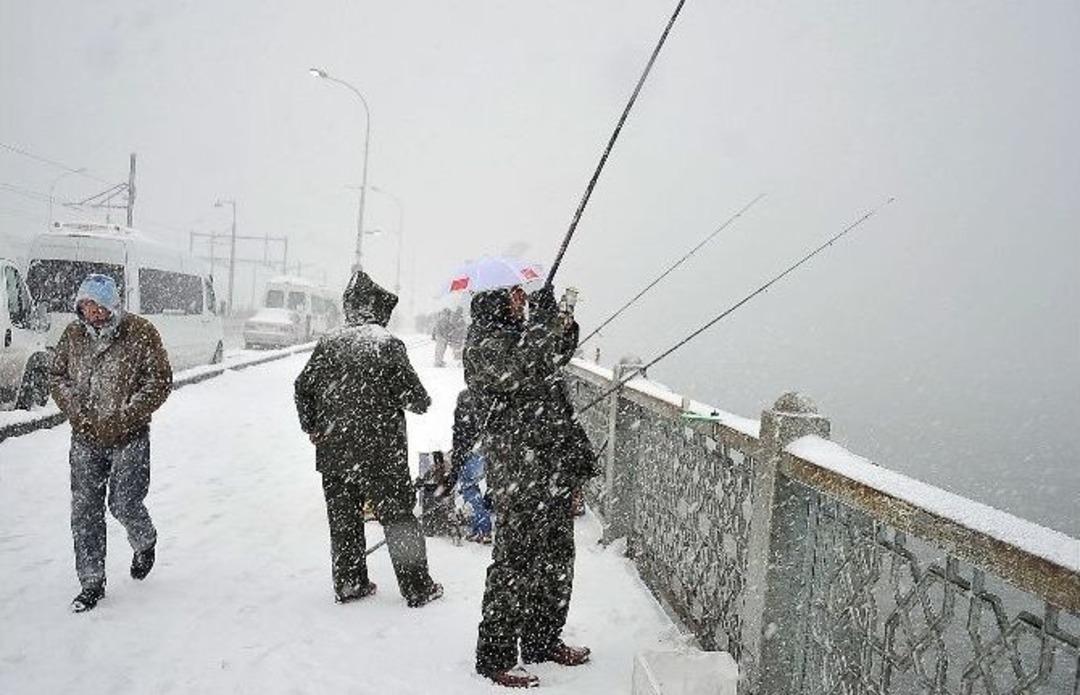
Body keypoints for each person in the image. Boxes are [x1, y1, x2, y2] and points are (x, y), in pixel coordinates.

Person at [465, 284, 598, 688]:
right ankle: (495, 655)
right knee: (515, 562)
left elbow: (552, 357)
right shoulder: (483, 345)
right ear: (493, 301)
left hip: (551, 465)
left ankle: (542, 639)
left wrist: (561, 322)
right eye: (514, 297)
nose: (521, 302)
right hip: (518, 472)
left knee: (556, 560)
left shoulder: (521, 337)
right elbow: (522, 367)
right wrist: (539, 323)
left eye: (524, 296)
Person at [294, 270, 443, 608]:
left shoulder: (328, 343)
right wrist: (419, 400)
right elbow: (415, 399)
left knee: (344, 520)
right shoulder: (385, 343)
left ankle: (349, 582)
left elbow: (302, 388)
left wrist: (312, 426)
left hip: (334, 452)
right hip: (381, 453)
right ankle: (417, 587)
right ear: (377, 308)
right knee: (399, 518)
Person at [48, 273, 173, 613]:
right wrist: (76, 411)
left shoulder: (140, 332)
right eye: (88, 306)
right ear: (80, 307)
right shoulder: (73, 335)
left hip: (129, 435)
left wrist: (126, 415)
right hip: (86, 437)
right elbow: (57, 376)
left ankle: (144, 540)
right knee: (85, 510)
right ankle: (91, 582)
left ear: (114, 305)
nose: (95, 313)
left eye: (101, 306)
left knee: (124, 503)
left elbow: (160, 381)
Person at [450, 388, 492, 544]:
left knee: (470, 489)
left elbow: (460, 438)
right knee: (479, 490)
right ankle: (479, 528)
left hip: (470, 453)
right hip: (484, 451)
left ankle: (483, 530)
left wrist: (457, 461)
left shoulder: (462, 413)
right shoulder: (483, 408)